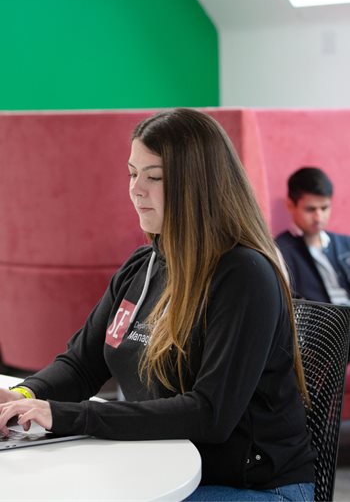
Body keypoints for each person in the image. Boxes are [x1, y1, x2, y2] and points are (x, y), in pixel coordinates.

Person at [0, 109, 315, 501]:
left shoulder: (244, 275)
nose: (135, 189)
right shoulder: (143, 266)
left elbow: (209, 414)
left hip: (251, 486)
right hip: (164, 466)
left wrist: (69, 417)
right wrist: (25, 398)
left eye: (154, 177)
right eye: (133, 173)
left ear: (198, 185)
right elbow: (82, 365)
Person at [276, 167, 350, 306]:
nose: (318, 217)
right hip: (321, 324)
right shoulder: (280, 251)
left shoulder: (346, 244)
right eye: (310, 209)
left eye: (324, 208)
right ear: (290, 205)